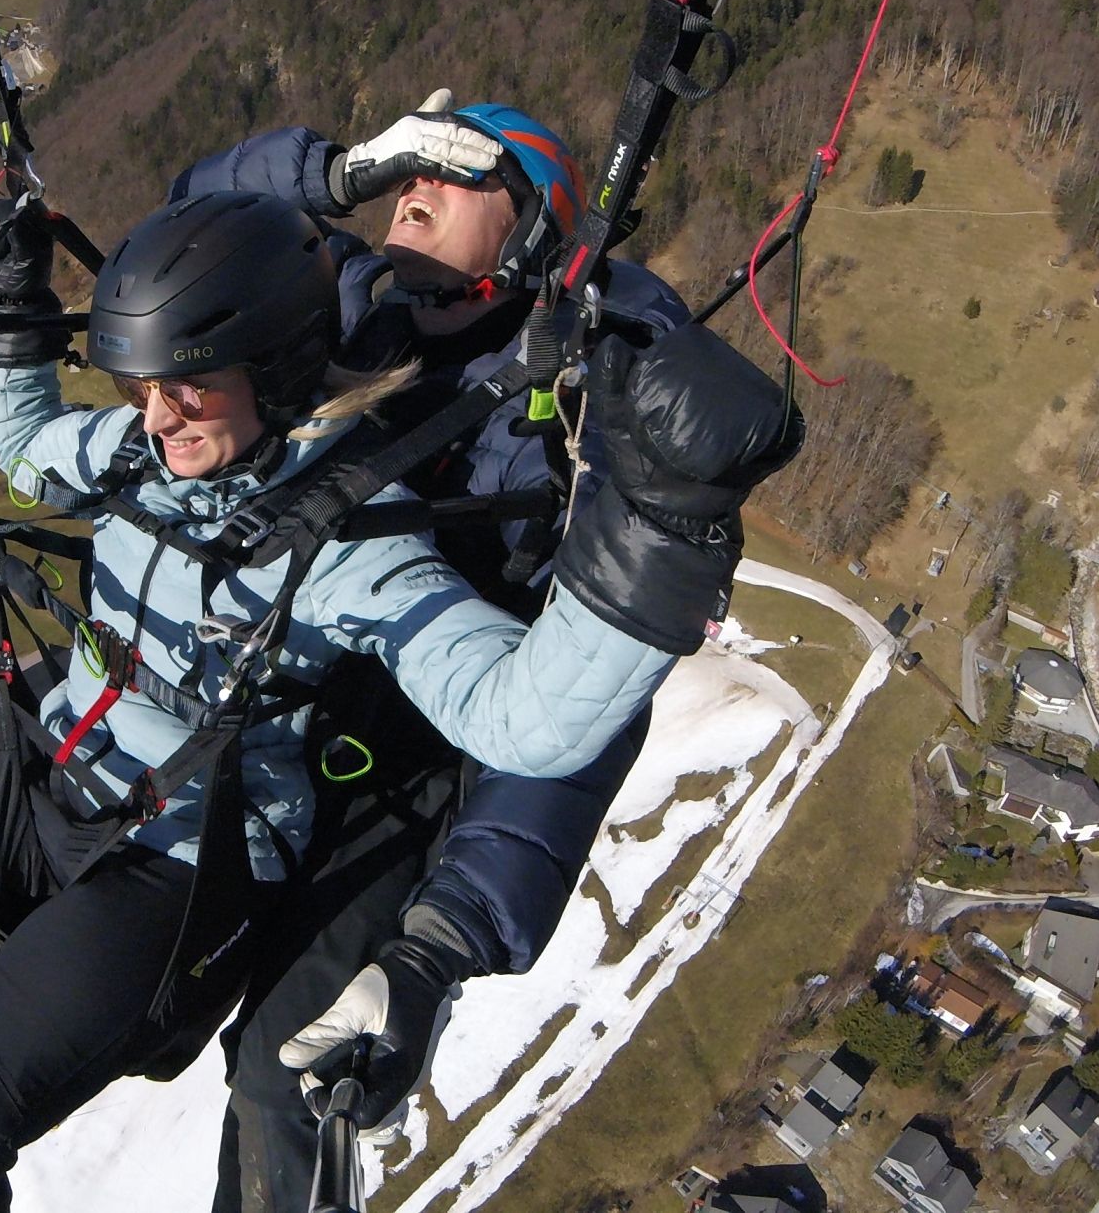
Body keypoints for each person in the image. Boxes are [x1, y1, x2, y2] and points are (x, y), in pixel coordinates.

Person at [0, 188, 783, 1213]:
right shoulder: (143, 452)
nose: (158, 417)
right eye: (143, 388)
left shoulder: (350, 547)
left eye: (187, 387)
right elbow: (35, 455)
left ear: (277, 371)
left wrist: (667, 529)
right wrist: (15, 308)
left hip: (180, 861)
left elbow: (519, 718)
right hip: (49, 761)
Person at [168, 95, 798, 1210]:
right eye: (411, 162)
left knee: (281, 1071)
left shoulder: (578, 405)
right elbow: (191, 226)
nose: (418, 182)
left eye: (463, 169)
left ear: (533, 226)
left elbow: (574, 704)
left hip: (411, 763)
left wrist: (440, 942)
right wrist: (334, 174)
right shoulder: (352, 304)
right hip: (274, 714)